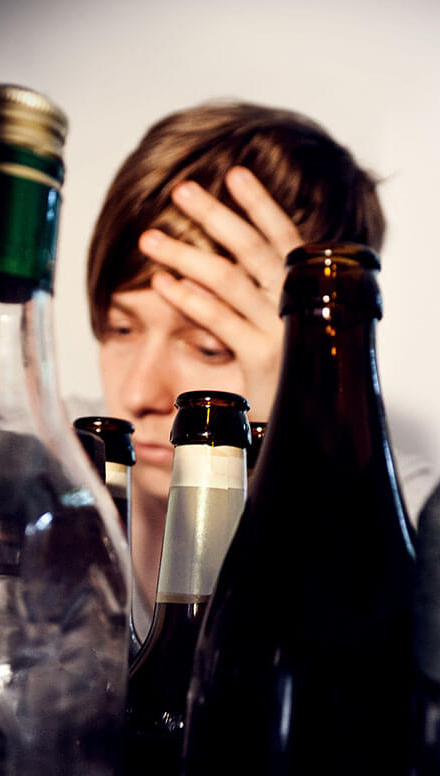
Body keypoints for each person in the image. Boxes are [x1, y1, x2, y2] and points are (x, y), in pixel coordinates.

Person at [86, 100, 389, 638]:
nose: (137, 392)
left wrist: (297, 424)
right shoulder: (49, 464)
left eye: (208, 347)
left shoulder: (396, 518)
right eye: (121, 328)